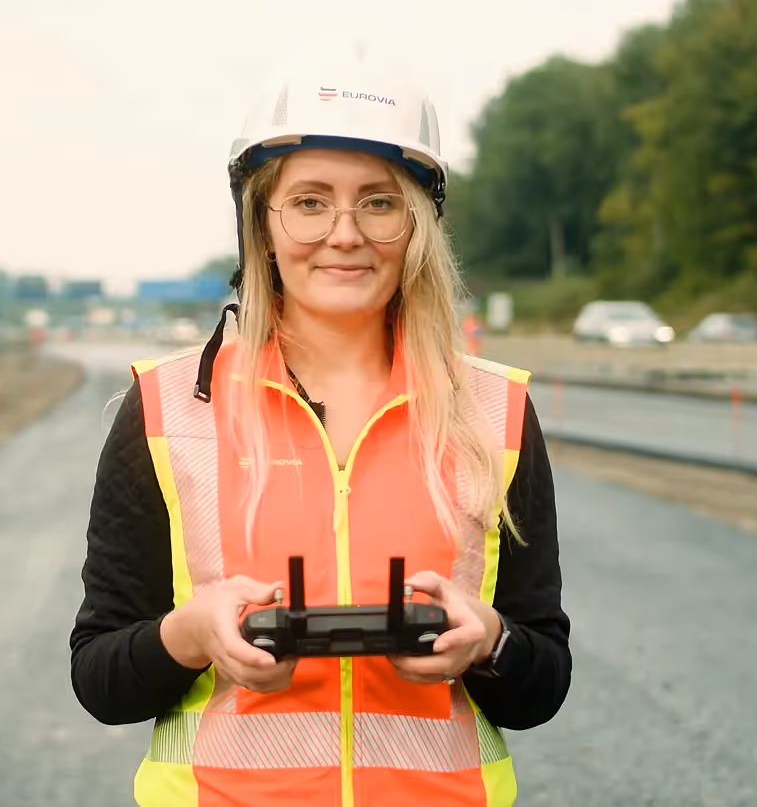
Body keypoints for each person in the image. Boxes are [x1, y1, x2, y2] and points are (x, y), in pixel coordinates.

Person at [70, 51, 571, 807]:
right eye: (309, 202)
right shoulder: (169, 407)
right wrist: (194, 634)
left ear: (418, 225)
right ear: (262, 225)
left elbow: (541, 682)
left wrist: (490, 642)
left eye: (378, 202)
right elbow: (101, 677)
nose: (344, 233)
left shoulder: (494, 411)